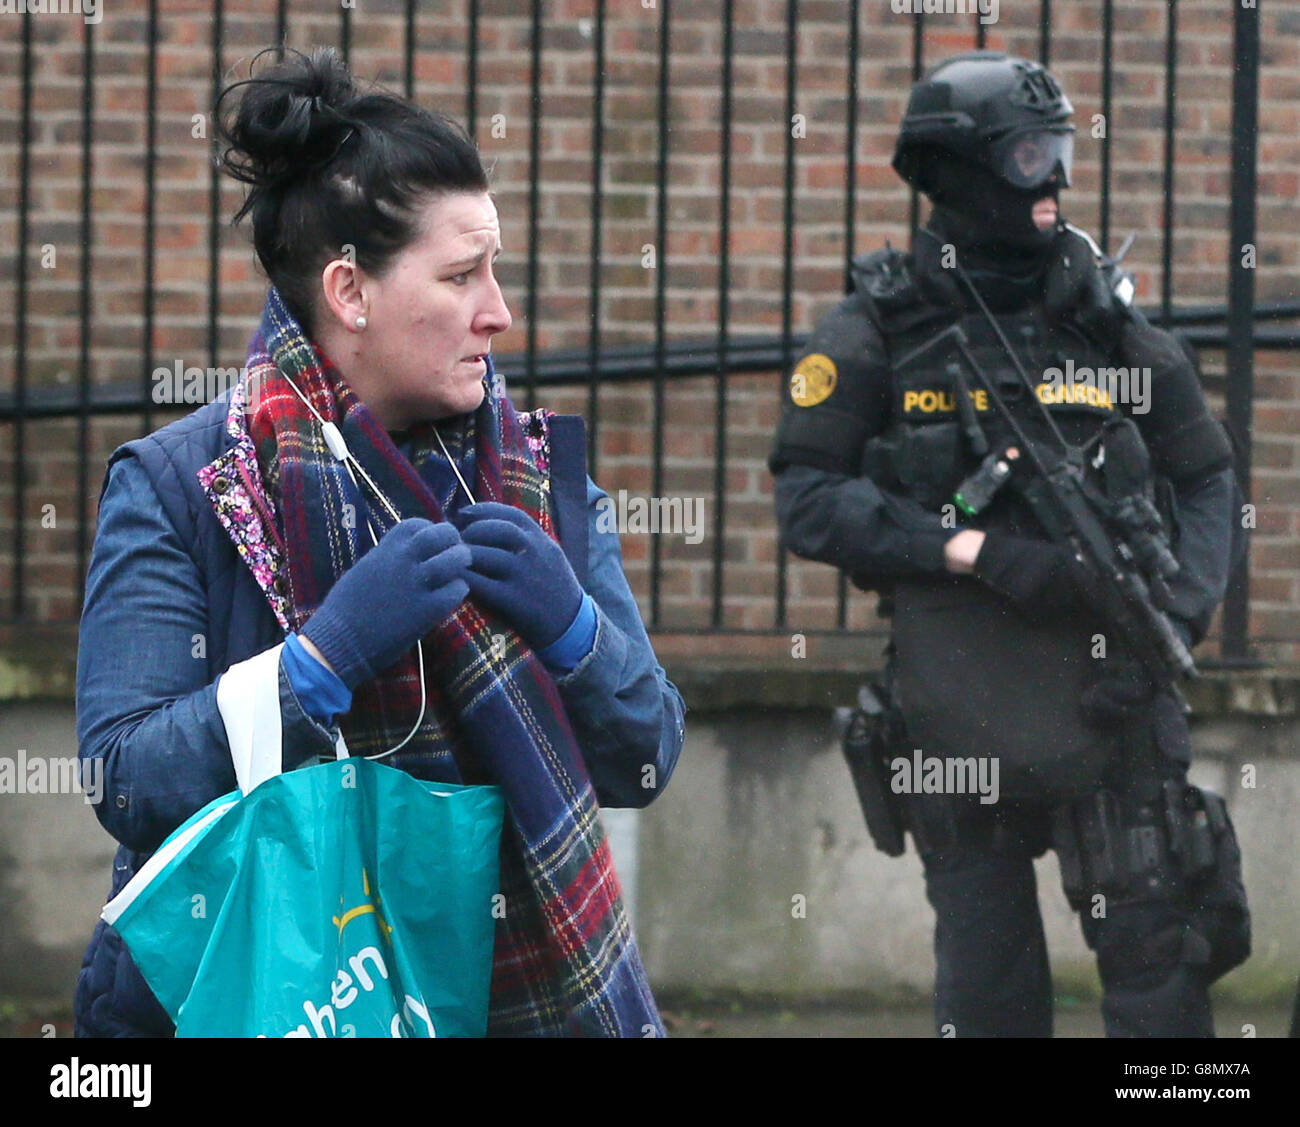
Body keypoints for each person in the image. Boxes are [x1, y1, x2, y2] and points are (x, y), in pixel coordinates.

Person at [74, 46, 685, 1038]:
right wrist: (315, 666)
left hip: (511, 1000)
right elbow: (124, 777)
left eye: (496, 268)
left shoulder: (539, 484)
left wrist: (573, 631)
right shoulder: (186, 485)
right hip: (265, 993)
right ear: (350, 292)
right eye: (461, 274)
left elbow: (646, 757)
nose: (500, 311)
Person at [770, 51, 1249, 1037]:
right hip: (962, 708)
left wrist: (1180, 611)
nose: (1057, 180)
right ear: (954, 172)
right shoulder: (879, 328)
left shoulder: (1107, 327)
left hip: (1113, 700)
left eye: (1061, 150)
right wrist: (974, 552)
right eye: (1029, 155)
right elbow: (808, 498)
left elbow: (1206, 478)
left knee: (1161, 977)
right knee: (989, 992)